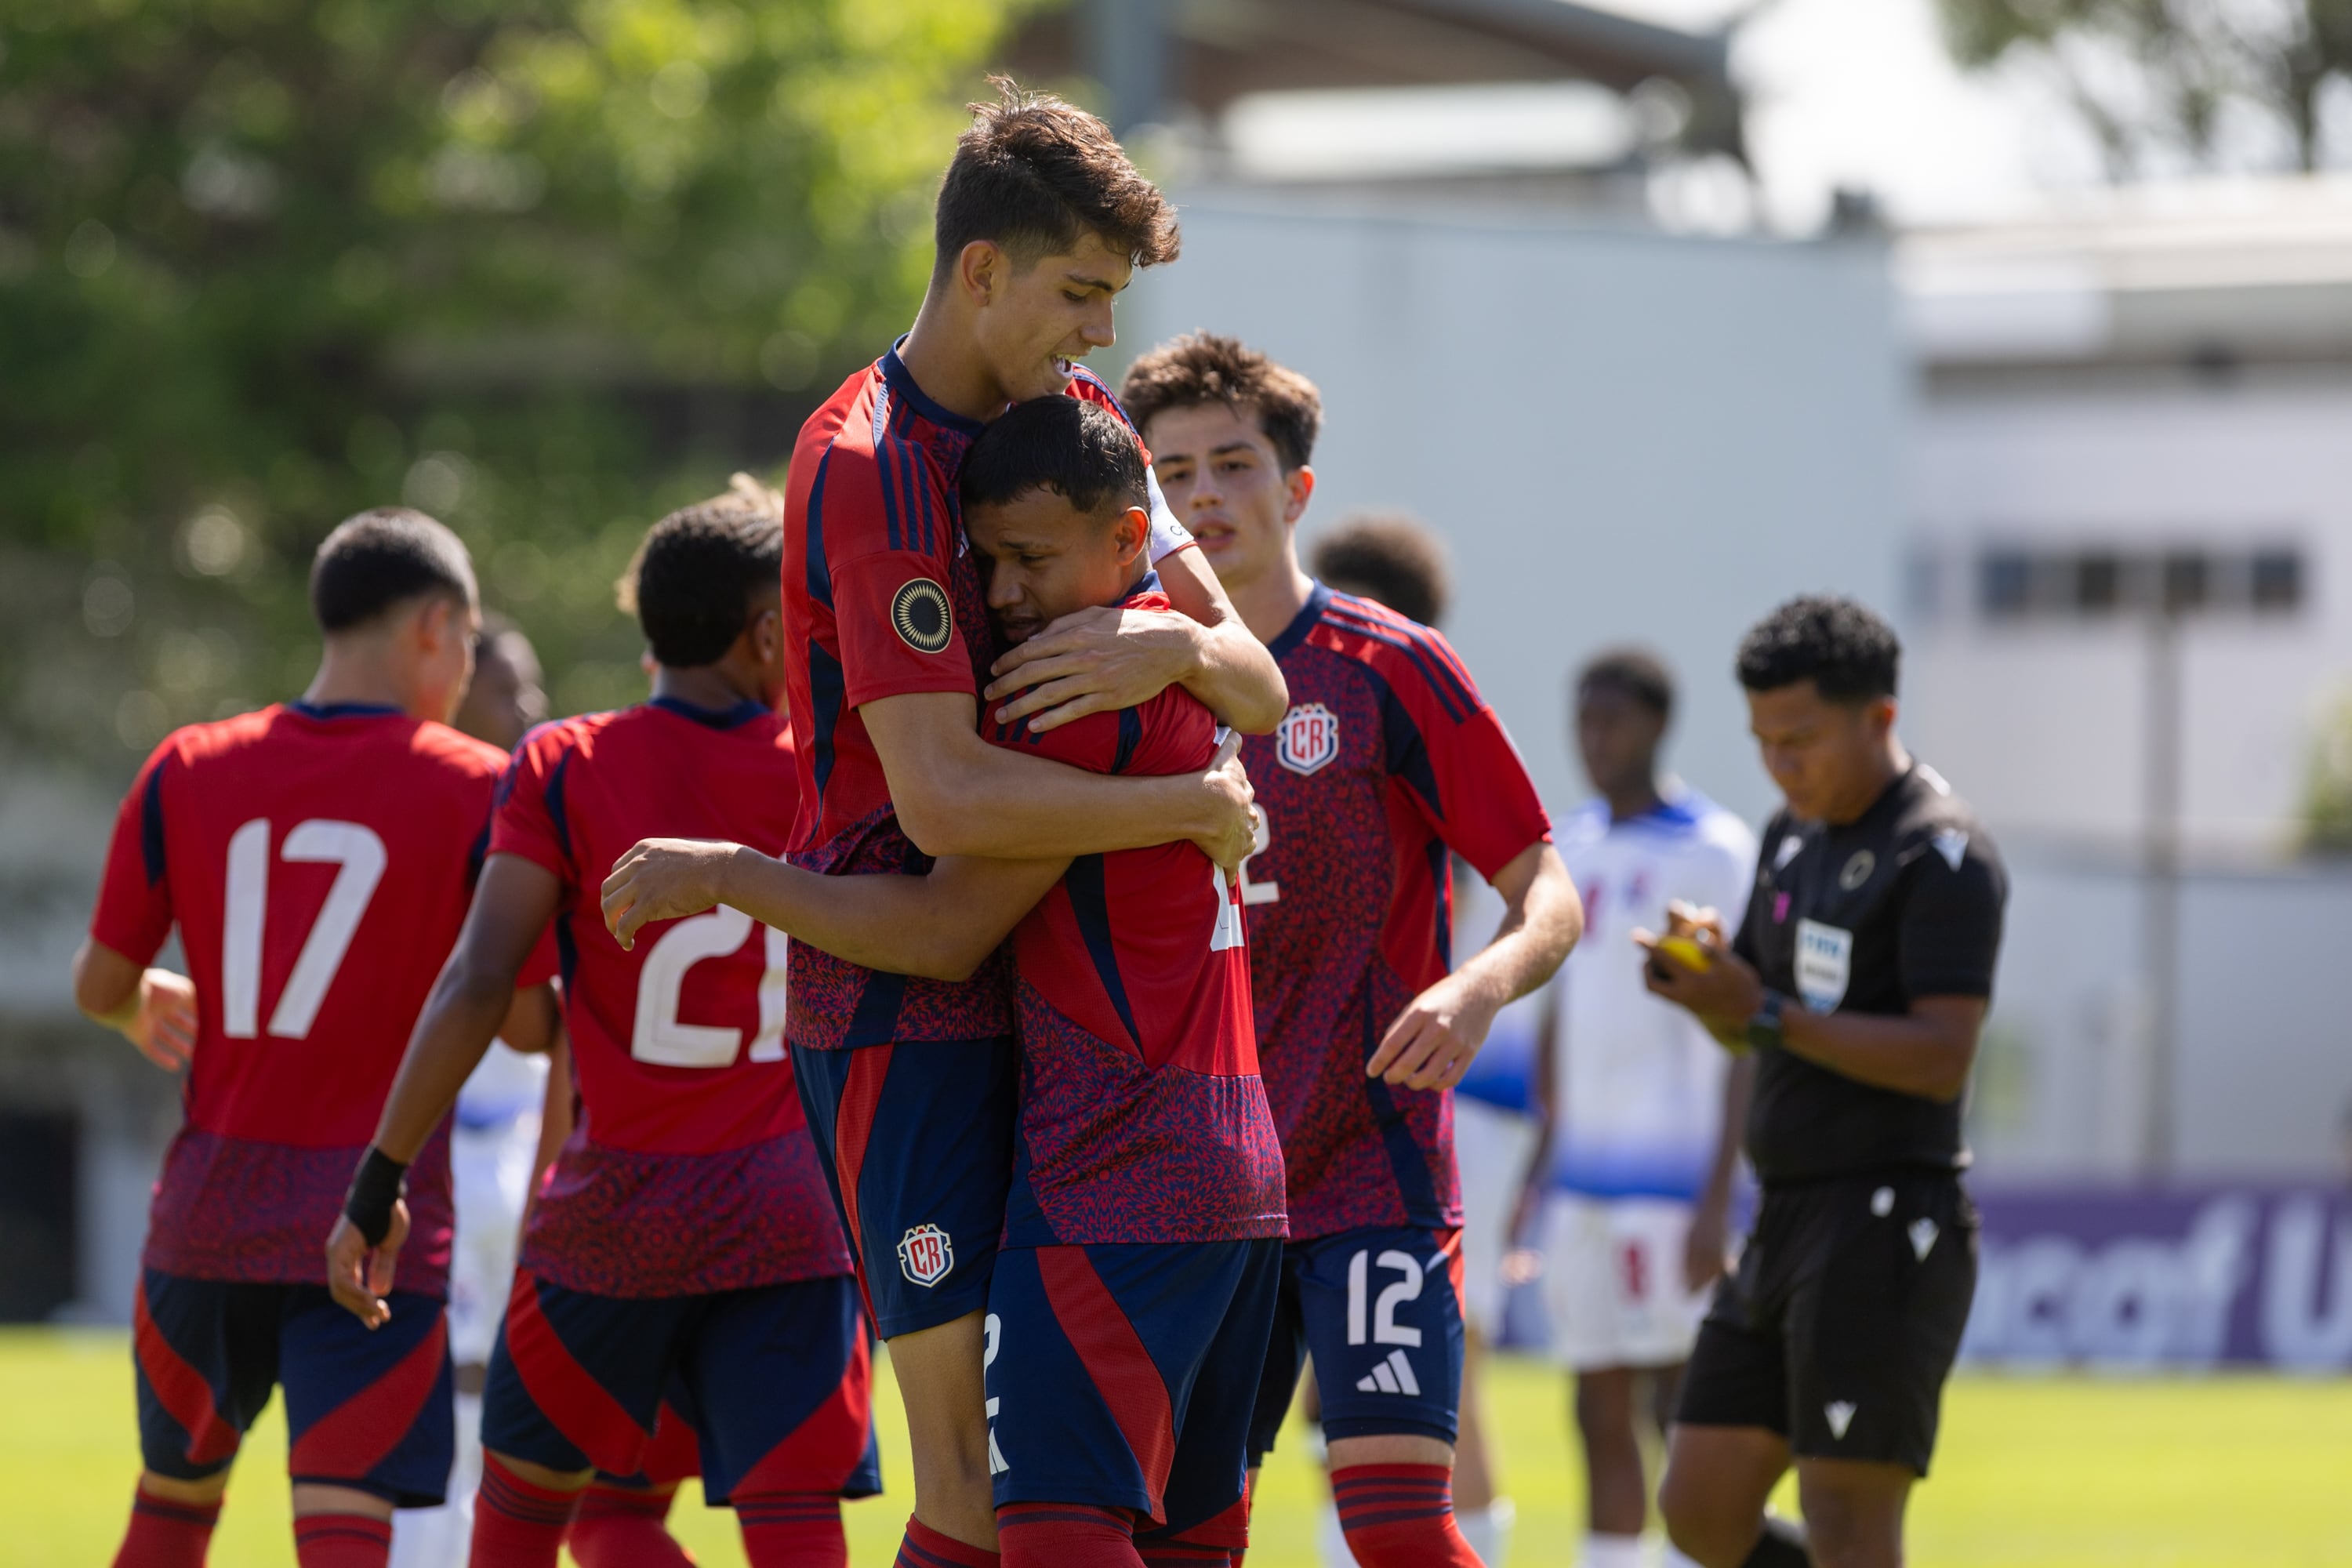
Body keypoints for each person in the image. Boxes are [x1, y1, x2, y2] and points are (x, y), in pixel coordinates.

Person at [605, 396, 1290, 1568]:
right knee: (1181, 1541)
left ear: (1129, 543)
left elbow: (937, 931)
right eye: (989, 565)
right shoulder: (1167, 665)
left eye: (1029, 560)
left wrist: (726, 874)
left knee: (1030, 1525)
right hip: (1232, 1171)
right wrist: (1186, 716)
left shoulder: (1072, 695)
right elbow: (1260, 687)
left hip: (1116, 1172)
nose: (1007, 594)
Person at [778, 78, 1281, 1568]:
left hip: (1059, 1001)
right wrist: (1180, 803)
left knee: (1083, 1476)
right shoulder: (868, 464)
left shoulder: (1085, 426)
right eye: (1079, 293)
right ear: (982, 269)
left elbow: (1253, 673)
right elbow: (941, 801)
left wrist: (1178, 649)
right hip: (906, 998)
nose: (1101, 337)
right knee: (976, 1483)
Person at [326, 478, 879, 1568]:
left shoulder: (565, 763)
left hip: (618, 1210)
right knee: (793, 1531)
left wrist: (377, 1181)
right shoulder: (829, 769)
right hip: (793, 1209)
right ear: (770, 633)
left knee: (544, 1520)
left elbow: (482, 986)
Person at [1123, 333, 1583, 1568]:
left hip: (1369, 1173)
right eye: (1173, 474)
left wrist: (1477, 985)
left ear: (1297, 490)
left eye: (1234, 464)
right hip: (1190, 1190)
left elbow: (1547, 888)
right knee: (1180, 1541)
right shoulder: (1114, 681)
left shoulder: (1391, 668)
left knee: (1396, 1533)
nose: (1205, 495)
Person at [76, 509, 557, 1568]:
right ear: (437, 628)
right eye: (472, 643)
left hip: (208, 1215)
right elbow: (523, 1018)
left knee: (170, 1510)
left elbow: (100, 982)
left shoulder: (186, 764)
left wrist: (136, 1003)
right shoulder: (479, 784)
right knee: (343, 1533)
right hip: (373, 1221)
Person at [1642, 596, 2005, 1568]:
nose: (1779, 764)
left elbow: (1941, 1054)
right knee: (1697, 1506)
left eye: (1800, 739)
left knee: (1849, 1516)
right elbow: (1753, 1025)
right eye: (1764, 740)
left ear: (1879, 717)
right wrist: (1708, 984)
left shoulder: (1943, 852)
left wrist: (1756, 1009)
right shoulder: (1791, 836)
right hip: (1786, 1214)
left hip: (1889, 1218)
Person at [1309, 516, 1519, 1567]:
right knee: (1374, 1388)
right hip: (1378, 1087)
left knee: (1429, 1376)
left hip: (1412, 1093)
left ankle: (1464, 1540)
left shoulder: (1407, 723)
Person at [1531, 650, 1757, 1568]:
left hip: (1671, 1182)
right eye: (1584, 720)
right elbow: (1556, 1014)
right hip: (1579, 1176)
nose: (1594, 740)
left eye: (1612, 721)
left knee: (1678, 1400)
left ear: (1657, 726)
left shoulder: (1713, 850)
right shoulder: (1570, 844)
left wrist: (1717, 1197)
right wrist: (1537, 1169)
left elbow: (1746, 1029)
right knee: (1592, 1404)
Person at [390, 615, 556, 1568]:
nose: (528, 707)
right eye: (505, 688)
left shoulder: (538, 815)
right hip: (449, 1146)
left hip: (523, 1131)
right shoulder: (443, 814)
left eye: (532, 687)